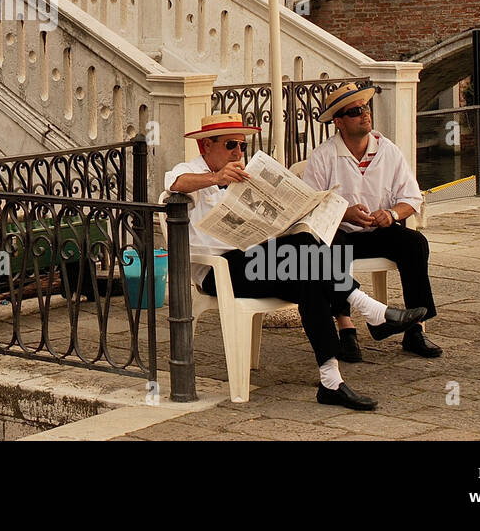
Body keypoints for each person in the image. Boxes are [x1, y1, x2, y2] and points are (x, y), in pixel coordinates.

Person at [165, 111, 425, 411]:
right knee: (306, 252)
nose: (238, 152)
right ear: (205, 146)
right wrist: (215, 178)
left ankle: (331, 381)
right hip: (218, 269)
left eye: (242, 146)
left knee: (310, 275)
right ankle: (369, 308)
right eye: (231, 145)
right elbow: (175, 183)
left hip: (258, 260)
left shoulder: (244, 173)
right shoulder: (190, 169)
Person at [302, 82, 442, 361]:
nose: (365, 114)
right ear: (339, 122)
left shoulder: (388, 150)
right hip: (341, 232)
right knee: (332, 247)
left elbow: (412, 199)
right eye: (355, 111)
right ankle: (347, 329)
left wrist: (390, 215)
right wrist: (344, 213)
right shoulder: (323, 156)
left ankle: (415, 329)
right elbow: (310, 207)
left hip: (379, 231)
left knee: (415, 243)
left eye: (365, 108)